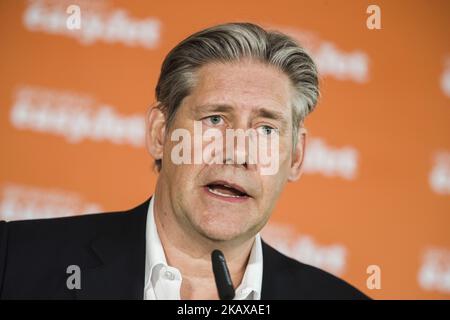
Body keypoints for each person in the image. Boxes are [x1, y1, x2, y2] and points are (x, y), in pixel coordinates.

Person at [0, 22, 368, 300]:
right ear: (161, 133)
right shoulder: (14, 261)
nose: (238, 152)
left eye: (266, 130)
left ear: (297, 156)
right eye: (214, 120)